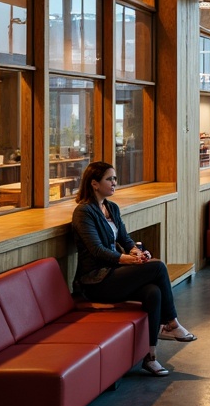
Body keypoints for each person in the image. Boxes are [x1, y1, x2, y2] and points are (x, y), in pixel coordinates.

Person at [71, 160, 195, 376]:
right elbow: (97, 251)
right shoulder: (84, 212)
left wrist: (136, 252)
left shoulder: (111, 207)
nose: (114, 183)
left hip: (115, 274)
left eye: (115, 178)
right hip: (96, 281)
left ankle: (151, 356)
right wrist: (126, 259)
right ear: (94, 184)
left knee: (153, 292)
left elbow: (125, 239)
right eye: (109, 179)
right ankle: (172, 323)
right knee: (157, 267)